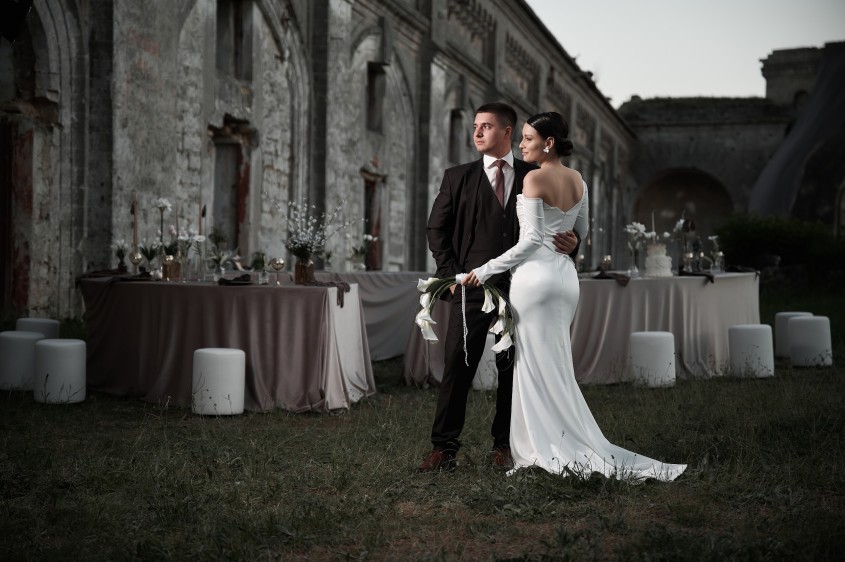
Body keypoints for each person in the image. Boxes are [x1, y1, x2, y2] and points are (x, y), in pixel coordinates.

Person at [460, 112, 687, 481]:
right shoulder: (578, 180)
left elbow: (530, 242)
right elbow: (580, 231)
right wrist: (573, 241)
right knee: (555, 361)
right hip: (566, 279)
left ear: (548, 143)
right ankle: (566, 436)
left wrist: (484, 270)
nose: (521, 145)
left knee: (534, 364)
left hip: (536, 280)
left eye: (528, 138)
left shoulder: (533, 178)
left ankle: (544, 445)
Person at [420, 103, 580, 472]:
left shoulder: (534, 173)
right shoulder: (457, 177)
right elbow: (436, 229)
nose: (477, 132)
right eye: (475, 126)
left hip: (522, 285)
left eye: (486, 126)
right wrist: (451, 275)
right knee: (458, 364)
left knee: (513, 369)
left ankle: (505, 446)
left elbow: (561, 224)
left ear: (508, 132)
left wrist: (574, 244)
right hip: (470, 287)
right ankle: (443, 448)